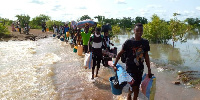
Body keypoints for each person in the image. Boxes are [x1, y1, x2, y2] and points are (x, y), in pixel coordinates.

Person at [112, 23, 152, 100]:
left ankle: (134, 98)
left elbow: (146, 56)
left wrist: (149, 69)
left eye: (141, 31)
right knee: (132, 87)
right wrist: (114, 64)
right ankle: (129, 96)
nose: (139, 32)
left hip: (140, 69)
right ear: (134, 31)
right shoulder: (129, 42)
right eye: (137, 30)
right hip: (130, 68)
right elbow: (120, 53)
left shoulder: (145, 42)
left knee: (137, 87)